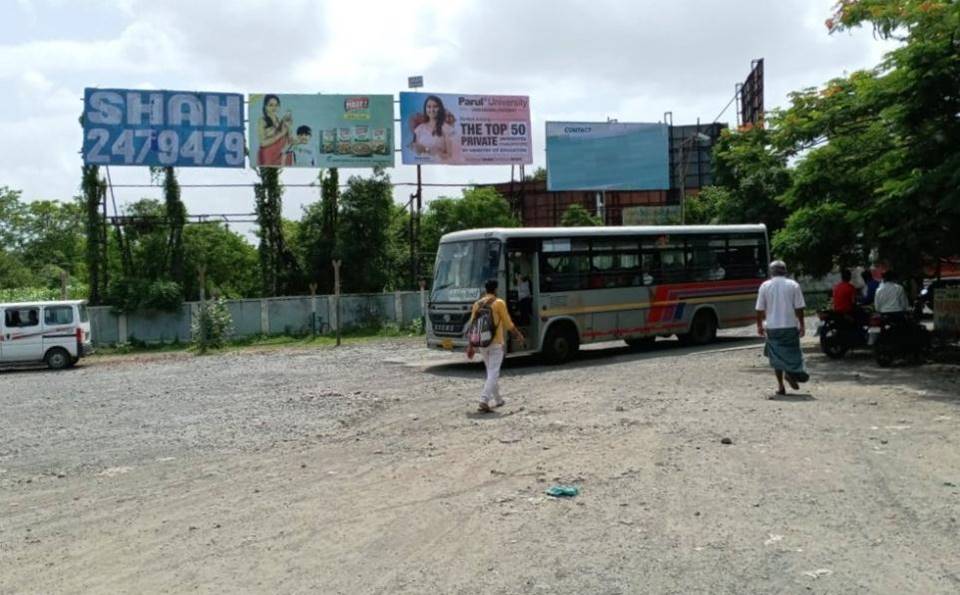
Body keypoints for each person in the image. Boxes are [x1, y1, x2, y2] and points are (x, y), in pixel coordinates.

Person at [466, 279, 524, 413]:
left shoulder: (477, 304)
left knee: (491, 372)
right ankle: (484, 400)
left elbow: (472, 327)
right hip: (496, 343)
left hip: (482, 343)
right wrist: (518, 335)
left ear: (485, 289)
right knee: (493, 372)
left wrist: (471, 346)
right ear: (496, 289)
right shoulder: (499, 303)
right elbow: (508, 323)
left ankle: (498, 399)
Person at [756, 260, 809, 396]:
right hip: (790, 326)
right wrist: (802, 325)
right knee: (792, 353)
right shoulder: (793, 285)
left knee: (776, 357)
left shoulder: (765, 286)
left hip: (772, 327)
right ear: (785, 271)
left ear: (771, 272)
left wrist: (759, 325)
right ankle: (790, 373)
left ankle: (780, 386)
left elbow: (759, 309)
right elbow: (799, 308)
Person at [410, 95, 455, 162]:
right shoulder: (419, 129)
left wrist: (427, 150)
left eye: (435, 106)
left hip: (440, 168)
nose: (432, 110)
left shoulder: (447, 129)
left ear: (440, 108)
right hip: (422, 165)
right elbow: (414, 152)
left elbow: (450, 156)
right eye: (429, 107)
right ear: (425, 109)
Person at [257, 94, 292, 166]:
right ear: (265, 107)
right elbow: (262, 143)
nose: (274, 108)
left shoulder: (280, 120)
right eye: (271, 105)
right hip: (268, 155)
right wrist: (281, 133)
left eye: (276, 105)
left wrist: (288, 128)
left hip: (280, 154)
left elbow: (289, 141)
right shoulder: (262, 121)